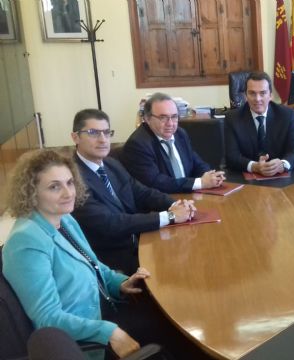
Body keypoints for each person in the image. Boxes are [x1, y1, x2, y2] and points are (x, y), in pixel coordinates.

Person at [2, 149, 147, 358]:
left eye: (70, 183)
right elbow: (48, 318)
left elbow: (95, 264)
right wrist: (109, 332)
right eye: (54, 187)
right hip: (85, 341)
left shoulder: (65, 219)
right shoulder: (26, 242)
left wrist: (120, 283)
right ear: (31, 192)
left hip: (104, 312)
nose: (68, 193)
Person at [70, 109, 195, 275]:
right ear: (75, 137)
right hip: (111, 260)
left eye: (107, 133)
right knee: (178, 272)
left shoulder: (111, 164)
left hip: (139, 240)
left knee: (190, 254)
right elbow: (112, 223)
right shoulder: (72, 179)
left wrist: (176, 204)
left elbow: (142, 192)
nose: (102, 140)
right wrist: (170, 216)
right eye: (93, 133)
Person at [120, 92, 225, 194]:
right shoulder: (138, 145)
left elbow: (196, 162)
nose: (170, 123)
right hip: (162, 203)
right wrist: (200, 183)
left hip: (189, 197)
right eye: (163, 118)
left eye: (174, 117)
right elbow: (155, 182)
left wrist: (211, 176)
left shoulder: (180, 134)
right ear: (147, 118)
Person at [225, 71, 294, 176]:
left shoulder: (286, 115)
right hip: (246, 179)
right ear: (245, 96)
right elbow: (231, 157)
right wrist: (254, 166)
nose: (257, 99)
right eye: (252, 93)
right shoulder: (232, 118)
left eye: (263, 93)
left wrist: (282, 164)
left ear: (270, 95)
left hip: (280, 178)